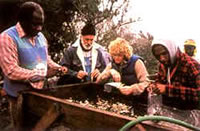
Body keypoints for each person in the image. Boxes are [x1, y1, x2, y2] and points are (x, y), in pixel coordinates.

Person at [0, 2, 67, 130]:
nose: (39, 28)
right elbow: (11, 71)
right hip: (19, 97)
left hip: (40, 93)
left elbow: (46, 59)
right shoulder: (7, 38)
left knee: (41, 127)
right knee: (21, 128)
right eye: (35, 24)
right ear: (22, 21)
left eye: (41, 24)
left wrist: (58, 68)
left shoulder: (40, 37)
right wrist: (40, 75)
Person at [150, 39, 200, 127]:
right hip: (170, 114)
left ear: (171, 50)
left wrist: (168, 89)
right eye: (158, 56)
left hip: (190, 119)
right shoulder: (163, 65)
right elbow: (159, 81)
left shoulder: (190, 65)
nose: (162, 58)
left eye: (164, 53)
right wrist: (154, 87)